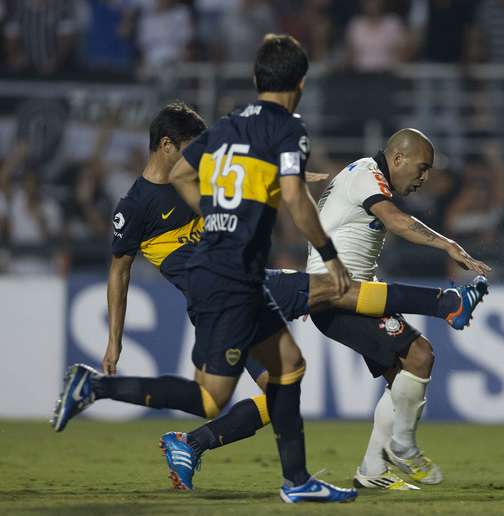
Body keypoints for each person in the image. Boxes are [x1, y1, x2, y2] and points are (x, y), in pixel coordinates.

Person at [55, 35, 357, 504]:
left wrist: (224, 210)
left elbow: (200, 176)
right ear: (299, 82)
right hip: (224, 283)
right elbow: (120, 270)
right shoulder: (138, 205)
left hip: (237, 277)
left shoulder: (231, 127)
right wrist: (328, 252)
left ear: (258, 79)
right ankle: (95, 387)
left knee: (290, 367)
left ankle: (297, 483)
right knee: (211, 398)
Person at [307, 128, 491, 490]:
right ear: (398, 159)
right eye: (421, 168)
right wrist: (447, 244)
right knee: (417, 356)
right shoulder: (366, 175)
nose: (424, 178)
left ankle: (373, 468)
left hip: (356, 292)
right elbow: (396, 221)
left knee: (415, 362)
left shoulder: (368, 177)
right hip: (336, 295)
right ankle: (402, 448)